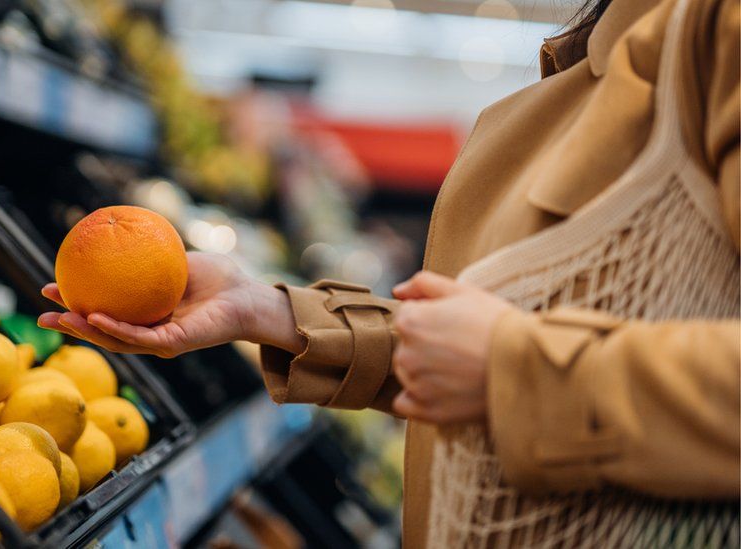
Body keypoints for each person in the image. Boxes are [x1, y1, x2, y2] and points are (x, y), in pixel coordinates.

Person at [38, 0, 740, 545]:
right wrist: (272, 312)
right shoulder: (615, 44)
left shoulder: (717, 34)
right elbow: (496, 352)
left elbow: (517, 360)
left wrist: (517, 367)